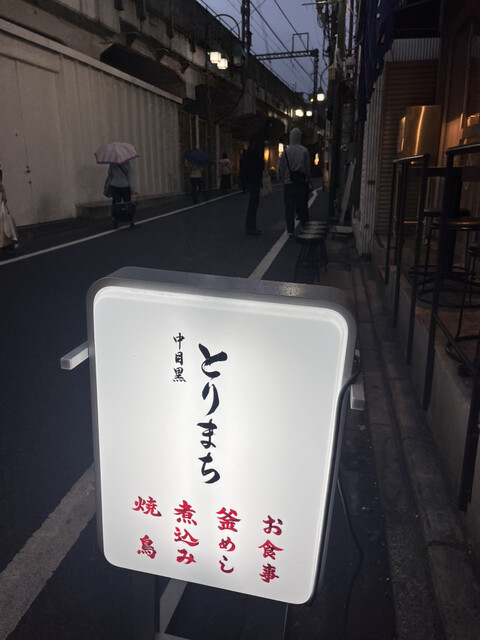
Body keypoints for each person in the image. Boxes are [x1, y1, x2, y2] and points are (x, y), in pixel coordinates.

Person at [278, 128, 311, 235]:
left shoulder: (286, 151)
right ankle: (304, 225)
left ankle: (290, 229)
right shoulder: (304, 150)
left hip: (289, 183)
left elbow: (282, 167)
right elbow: (308, 167)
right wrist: (308, 178)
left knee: (289, 207)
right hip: (301, 182)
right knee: (302, 205)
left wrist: (283, 179)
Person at [244, 134, 265, 235]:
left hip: (252, 180)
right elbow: (258, 166)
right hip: (254, 180)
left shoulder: (249, 153)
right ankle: (251, 227)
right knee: (253, 204)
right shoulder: (254, 153)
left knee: (253, 205)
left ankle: (250, 226)